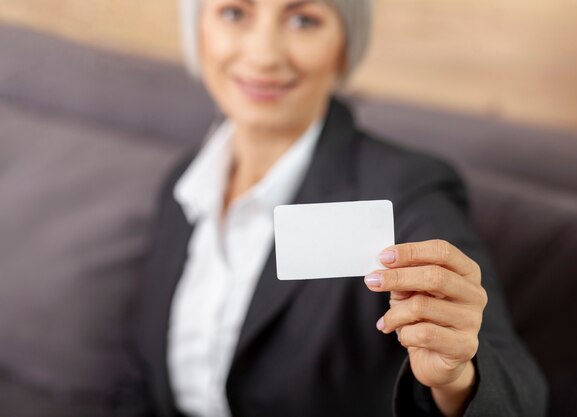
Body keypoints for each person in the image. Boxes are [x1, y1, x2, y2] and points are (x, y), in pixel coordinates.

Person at [116, 0, 547, 416]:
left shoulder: (406, 190)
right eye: (234, 13)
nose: (263, 55)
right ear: (199, 29)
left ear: (345, 45)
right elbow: (143, 378)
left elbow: (520, 395)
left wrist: (455, 380)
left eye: (303, 19)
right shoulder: (183, 183)